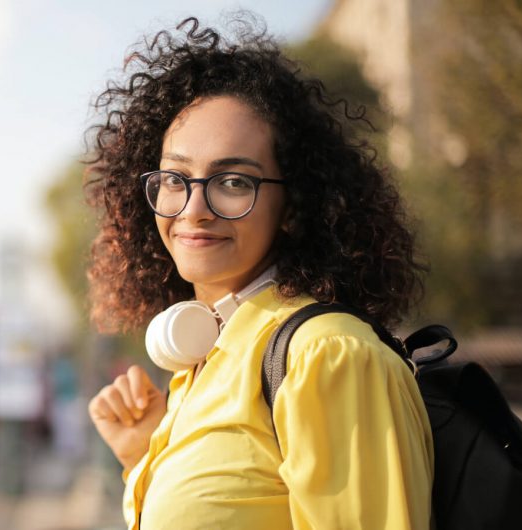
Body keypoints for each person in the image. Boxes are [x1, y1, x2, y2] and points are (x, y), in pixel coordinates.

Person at [85, 14, 433, 530]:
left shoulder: (329, 356)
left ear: (292, 207)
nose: (194, 208)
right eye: (175, 177)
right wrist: (148, 457)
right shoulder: (203, 362)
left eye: (233, 181)